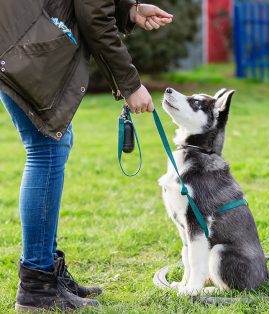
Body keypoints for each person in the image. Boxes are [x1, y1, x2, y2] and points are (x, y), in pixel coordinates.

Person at [0, 0, 173, 311]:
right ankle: (37, 286)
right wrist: (130, 84)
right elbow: (94, 15)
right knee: (45, 151)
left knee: (53, 144)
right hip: (21, 42)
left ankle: (47, 273)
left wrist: (128, 10)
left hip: (19, 36)